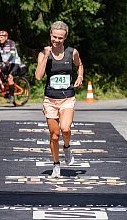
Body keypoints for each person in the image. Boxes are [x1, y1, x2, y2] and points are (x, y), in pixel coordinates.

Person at [35, 21, 84, 178]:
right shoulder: (44, 53)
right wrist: (47, 56)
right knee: (54, 135)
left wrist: (80, 76)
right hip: (50, 99)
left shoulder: (72, 52)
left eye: (60, 38)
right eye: (54, 37)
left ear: (65, 38)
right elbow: (38, 76)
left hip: (67, 98)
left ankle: (67, 147)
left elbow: (80, 65)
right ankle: (56, 165)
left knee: (65, 129)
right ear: (50, 35)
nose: (56, 40)